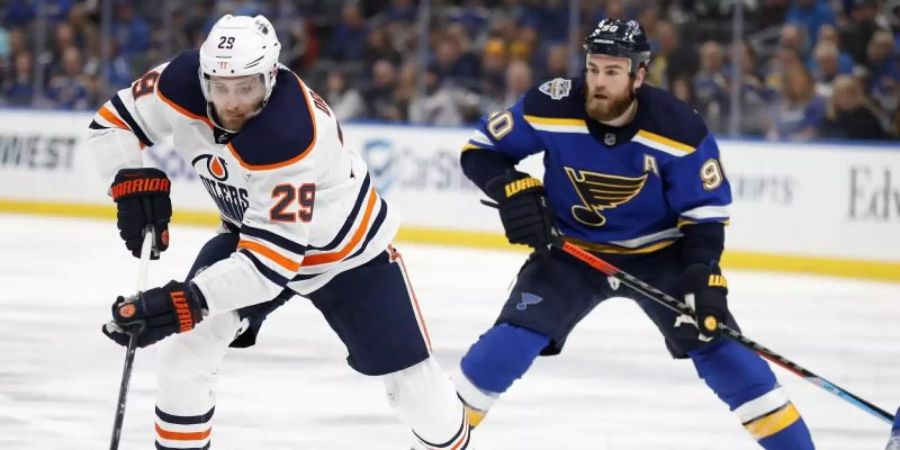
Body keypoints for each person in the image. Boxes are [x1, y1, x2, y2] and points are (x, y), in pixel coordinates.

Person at [90, 14, 469, 450]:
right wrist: (131, 184)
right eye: (220, 86)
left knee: (417, 396)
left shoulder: (289, 132)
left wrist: (182, 301)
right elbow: (112, 123)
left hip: (346, 257)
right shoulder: (180, 82)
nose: (231, 102)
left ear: (270, 77)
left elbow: (271, 265)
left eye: (246, 88)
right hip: (251, 237)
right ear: (204, 74)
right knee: (187, 351)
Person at [454, 18, 815, 449]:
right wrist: (510, 188)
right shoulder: (549, 104)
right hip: (572, 252)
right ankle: (436, 440)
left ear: (638, 75)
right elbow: (480, 152)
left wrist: (702, 272)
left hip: (660, 257)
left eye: (612, 71)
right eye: (593, 68)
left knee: (730, 360)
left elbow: (704, 214)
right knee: (504, 349)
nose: (598, 82)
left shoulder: (679, 129)